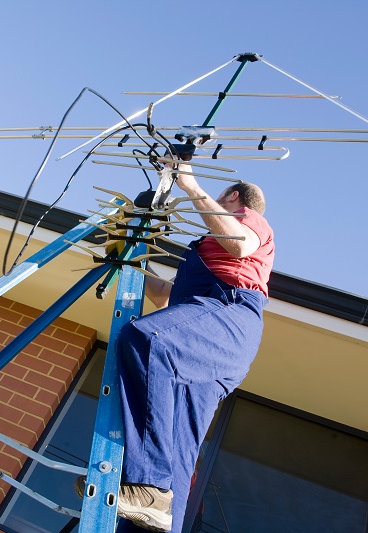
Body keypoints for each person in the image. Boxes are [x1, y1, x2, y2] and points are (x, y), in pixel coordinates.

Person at [113, 163, 275, 532]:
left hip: (230, 315)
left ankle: (150, 485)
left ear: (232, 198)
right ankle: (155, 509)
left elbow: (239, 244)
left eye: (221, 198)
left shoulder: (249, 221)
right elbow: (166, 299)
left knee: (146, 340)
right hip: (206, 329)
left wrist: (188, 183)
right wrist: (127, 259)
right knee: (177, 446)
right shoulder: (205, 253)